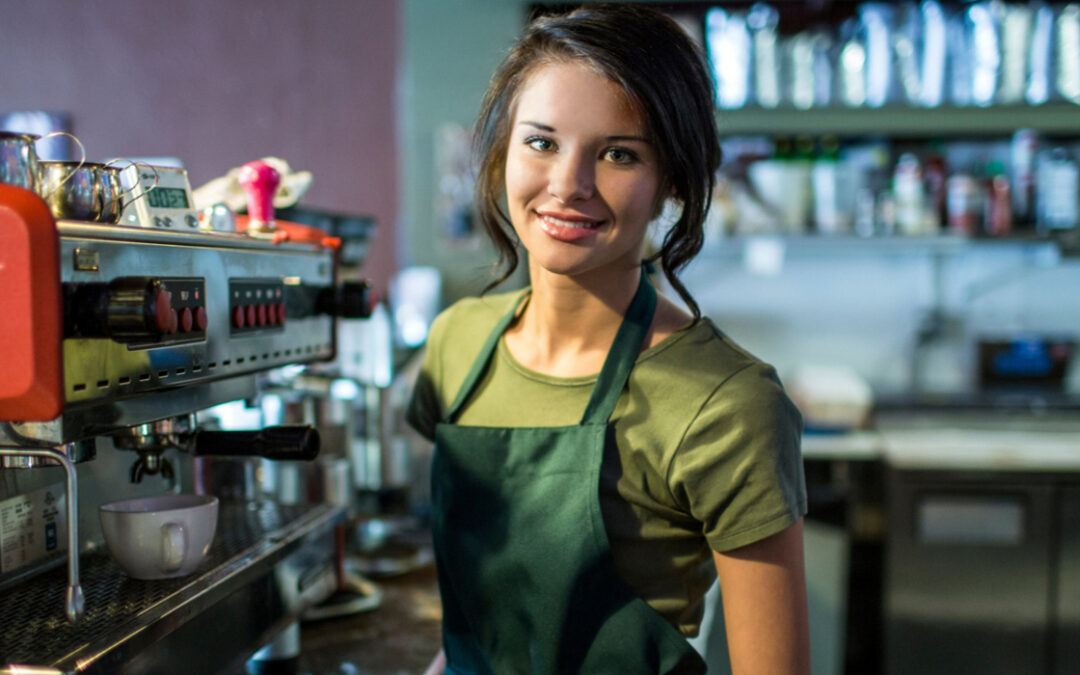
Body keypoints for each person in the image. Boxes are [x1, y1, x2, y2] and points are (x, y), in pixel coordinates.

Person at [407, 5, 809, 674]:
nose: (568, 185)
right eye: (541, 142)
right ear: (504, 150)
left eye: (618, 153)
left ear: (670, 182)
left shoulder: (727, 405)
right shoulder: (457, 344)